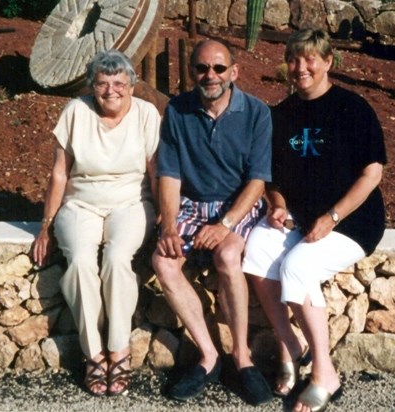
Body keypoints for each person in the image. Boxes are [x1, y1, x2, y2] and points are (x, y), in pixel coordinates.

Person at [243, 28, 387, 412]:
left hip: (352, 221)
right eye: (293, 59)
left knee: (297, 266)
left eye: (310, 59)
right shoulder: (281, 114)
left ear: (328, 63)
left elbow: (372, 174)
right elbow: (271, 178)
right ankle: (291, 346)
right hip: (300, 218)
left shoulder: (353, 108)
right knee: (255, 251)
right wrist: (276, 204)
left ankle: (325, 373)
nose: (300, 67)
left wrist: (333, 216)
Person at [32, 49, 161, 397]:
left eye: (119, 83)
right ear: (92, 86)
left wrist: (165, 217)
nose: (111, 91)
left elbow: (154, 170)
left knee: (118, 258)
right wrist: (45, 225)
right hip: (80, 202)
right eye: (102, 83)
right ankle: (94, 355)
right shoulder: (76, 111)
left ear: (132, 85)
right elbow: (60, 172)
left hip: (131, 201)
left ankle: (118, 350)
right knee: (79, 263)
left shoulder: (147, 114)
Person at [152, 39, 273, 405]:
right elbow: (169, 175)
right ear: (192, 72)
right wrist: (169, 226)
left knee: (228, 256)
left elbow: (257, 180)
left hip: (238, 205)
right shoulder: (177, 111)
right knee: (163, 261)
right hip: (192, 205)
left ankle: (242, 356)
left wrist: (225, 225)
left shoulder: (256, 112)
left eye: (219, 68)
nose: (211, 75)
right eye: (202, 68)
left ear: (233, 72)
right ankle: (209, 355)